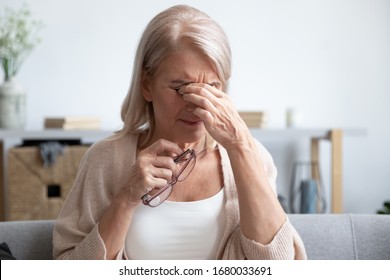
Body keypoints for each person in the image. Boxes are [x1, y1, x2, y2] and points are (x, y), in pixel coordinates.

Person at [53, 4, 306, 260]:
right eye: (180, 88)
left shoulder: (251, 156)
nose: (197, 105)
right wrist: (126, 198)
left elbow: (278, 265)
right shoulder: (105, 159)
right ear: (146, 85)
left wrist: (240, 146)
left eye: (212, 88)